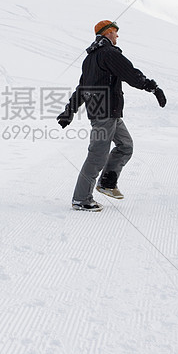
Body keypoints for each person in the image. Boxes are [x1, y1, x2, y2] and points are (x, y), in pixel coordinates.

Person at [57, 20, 167, 211]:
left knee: (126, 146)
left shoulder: (90, 58)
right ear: (108, 32)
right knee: (97, 156)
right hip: (104, 112)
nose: (117, 36)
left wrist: (69, 111)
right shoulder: (108, 53)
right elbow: (130, 74)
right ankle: (81, 199)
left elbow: (82, 88)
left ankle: (107, 183)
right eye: (115, 32)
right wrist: (153, 87)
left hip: (110, 112)